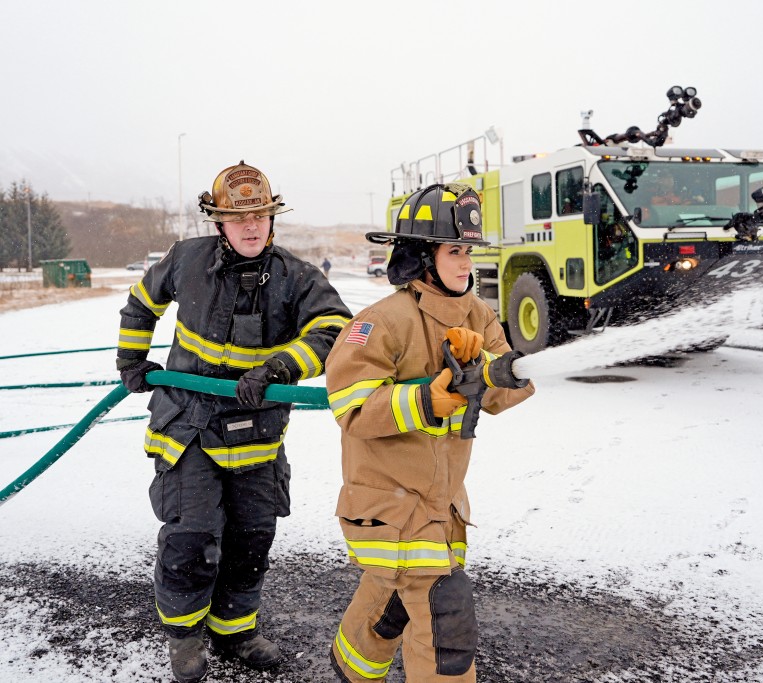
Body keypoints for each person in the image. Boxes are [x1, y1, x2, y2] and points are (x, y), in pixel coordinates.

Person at [115, 160, 352, 683]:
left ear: (272, 219)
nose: (251, 227)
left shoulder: (296, 277)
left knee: (251, 538)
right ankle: (185, 637)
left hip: (257, 434)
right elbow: (140, 304)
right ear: (218, 223)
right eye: (238, 218)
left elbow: (336, 329)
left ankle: (235, 631)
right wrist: (132, 362)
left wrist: (280, 366)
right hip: (189, 426)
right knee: (191, 535)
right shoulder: (185, 260)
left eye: (261, 217)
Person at [324, 183, 535, 682]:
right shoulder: (381, 322)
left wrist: (483, 368)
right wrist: (426, 399)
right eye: (454, 251)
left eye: (469, 251)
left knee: (394, 600)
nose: (466, 263)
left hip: (441, 503)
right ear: (421, 256)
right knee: (445, 617)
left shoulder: (478, 315)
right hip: (388, 505)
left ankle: (351, 667)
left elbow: (509, 390)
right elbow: (350, 404)